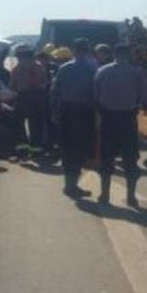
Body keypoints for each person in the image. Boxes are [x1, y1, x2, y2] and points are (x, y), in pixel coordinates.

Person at [94, 43, 144, 207]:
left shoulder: (102, 71)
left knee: (106, 158)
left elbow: (96, 95)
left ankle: (104, 194)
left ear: (113, 54)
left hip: (108, 118)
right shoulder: (136, 72)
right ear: (128, 54)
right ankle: (131, 197)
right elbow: (141, 96)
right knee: (130, 159)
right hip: (128, 119)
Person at [51, 38, 98, 198]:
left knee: (67, 147)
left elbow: (55, 92)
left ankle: (69, 184)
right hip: (84, 112)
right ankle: (72, 185)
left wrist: (55, 112)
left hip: (66, 110)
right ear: (87, 50)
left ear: (74, 50)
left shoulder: (64, 68)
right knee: (80, 148)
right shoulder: (93, 69)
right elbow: (96, 93)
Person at [10, 46, 50, 155]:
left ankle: (22, 148)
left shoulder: (17, 68)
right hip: (37, 97)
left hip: (22, 97)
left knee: (18, 122)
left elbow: (12, 86)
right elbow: (44, 83)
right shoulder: (38, 66)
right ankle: (36, 149)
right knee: (36, 123)